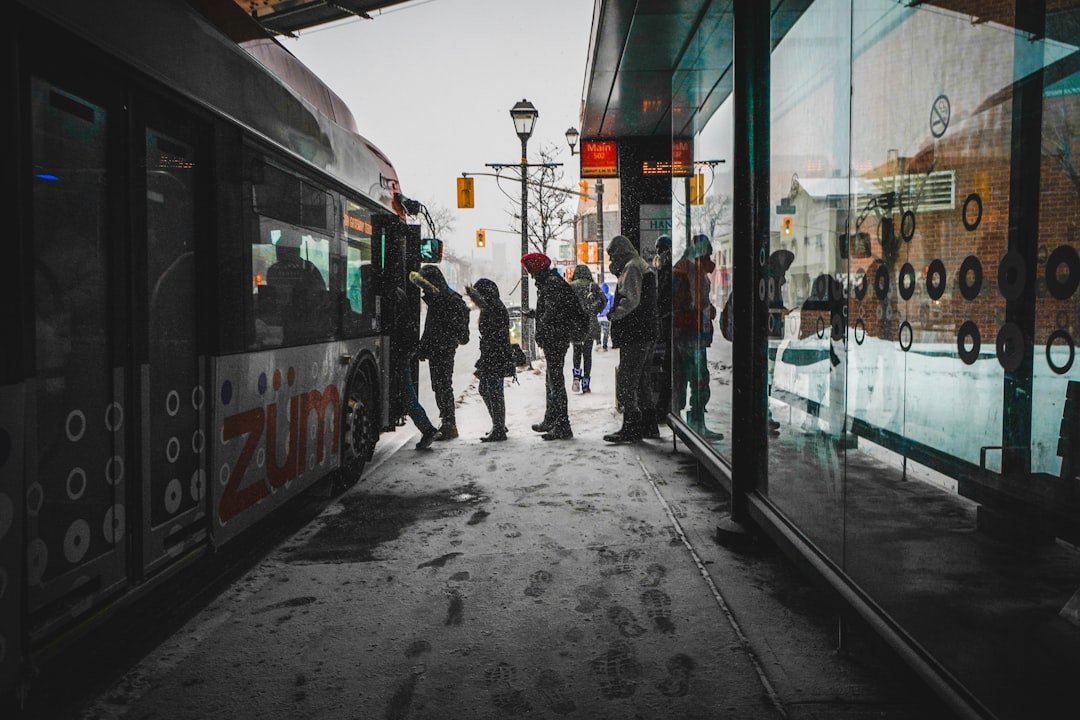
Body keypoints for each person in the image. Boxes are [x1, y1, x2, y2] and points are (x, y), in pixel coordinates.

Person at [603, 235, 658, 443]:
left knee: (627, 380)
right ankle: (649, 425)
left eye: (612, 254)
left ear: (620, 252)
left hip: (636, 334)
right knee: (642, 380)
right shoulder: (641, 265)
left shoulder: (632, 268)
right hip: (646, 332)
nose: (610, 259)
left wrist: (613, 314)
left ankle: (631, 426)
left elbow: (630, 301)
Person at [521, 252, 577, 440]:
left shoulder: (551, 284)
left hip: (556, 339)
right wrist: (536, 314)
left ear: (537, 268)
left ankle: (562, 425)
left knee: (556, 382)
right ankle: (552, 419)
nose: (530, 275)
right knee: (552, 380)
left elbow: (552, 314)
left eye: (531, 271)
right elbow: (550, 310)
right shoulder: (550, 282)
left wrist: (542, 331)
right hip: (556, 337)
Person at [410, 264, 469, 440]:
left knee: (442, 386)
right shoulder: (443, 299)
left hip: (442, 350)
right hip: (442, 349)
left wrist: (425, 347)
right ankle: (447, 423)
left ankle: (449, 424)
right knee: (441, 386)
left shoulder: (443, 301)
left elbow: (435, 329)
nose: (423, 291)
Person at [672, 234, 720, 438]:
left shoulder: (694, 270)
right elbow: (682, 303)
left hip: (695, 331)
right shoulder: (686, 270)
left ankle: (693, 419)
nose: (710, 258)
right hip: (689, 332)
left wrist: (709, 310)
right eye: (707, 253)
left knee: (696, 377)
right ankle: (691, 420)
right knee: (694, 377)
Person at [388, 285, 439, 449]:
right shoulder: (400, 297)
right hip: (401, 353)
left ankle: (427, 429)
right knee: (406, 394)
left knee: (407, 395)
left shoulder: (392, 296)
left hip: (397, 354)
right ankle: (427, 428)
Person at [465, 278, 515, 442]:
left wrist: (486, 359)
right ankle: (498, 424)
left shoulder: (492, 308)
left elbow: (492, 336)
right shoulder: (494, 306)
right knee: (489, 389)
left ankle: (499, 427)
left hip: (495, 355)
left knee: (493, 391)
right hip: (494, 354)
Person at [264, 228, 329, 344]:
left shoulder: (274, 270)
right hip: (298, 328)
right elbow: (321, 294)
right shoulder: (308, 268)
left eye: (283, 248)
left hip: (295, 327)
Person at [568, 263, 606, 394]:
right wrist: (594, 310)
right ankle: (586, 383)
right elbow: (604, 300)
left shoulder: (571, 287)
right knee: (587, 354)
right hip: (590, 323)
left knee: (577, 351)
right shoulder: (592, 286)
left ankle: (576, 377)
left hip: (575, 324)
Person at [653, 235, 674, 424]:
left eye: (661, 249)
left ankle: (665, 408)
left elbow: (663, 299)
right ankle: (665, 407)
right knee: (666, 368)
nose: (659, 253)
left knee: (669, 369)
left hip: (671, 326)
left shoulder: (669, 271)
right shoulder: (662, 271)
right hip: (665, 325)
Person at [598, 282, 614, 351]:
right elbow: (612, 306)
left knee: (598, 331)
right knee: (606, 332)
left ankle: (598, 343)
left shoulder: (597, 296)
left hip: (598, 317)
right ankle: (604, 346)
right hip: (606, 317)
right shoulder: (610, 296)